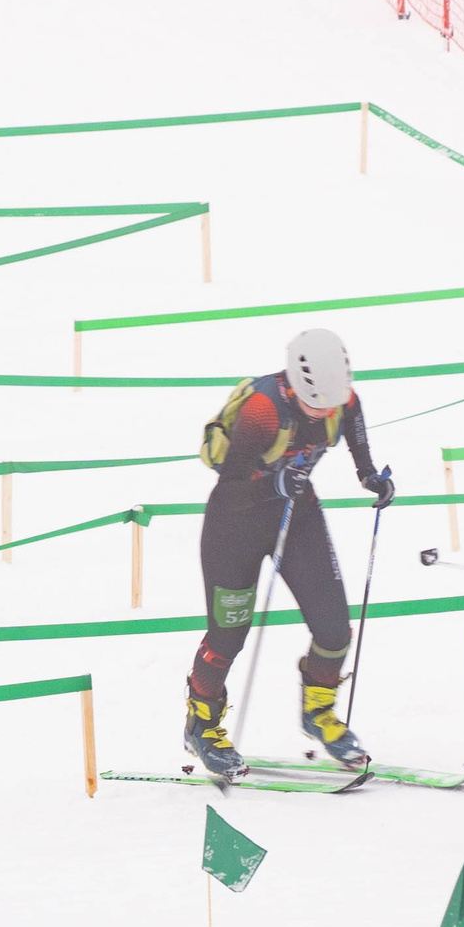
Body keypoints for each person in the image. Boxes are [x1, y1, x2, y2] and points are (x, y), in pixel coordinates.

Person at [182, 328, 396, 778]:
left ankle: (317, 712)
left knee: (334, 629)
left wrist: (370, 476)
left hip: (297, 517)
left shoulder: (343, 399)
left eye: (330, 404)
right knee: (227, 637)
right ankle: (202, 725)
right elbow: (232, 482)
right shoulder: (263, 409)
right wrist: (274, 481)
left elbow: (356, 437)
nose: (324, 411)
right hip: (234, 526)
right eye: (315, 404)